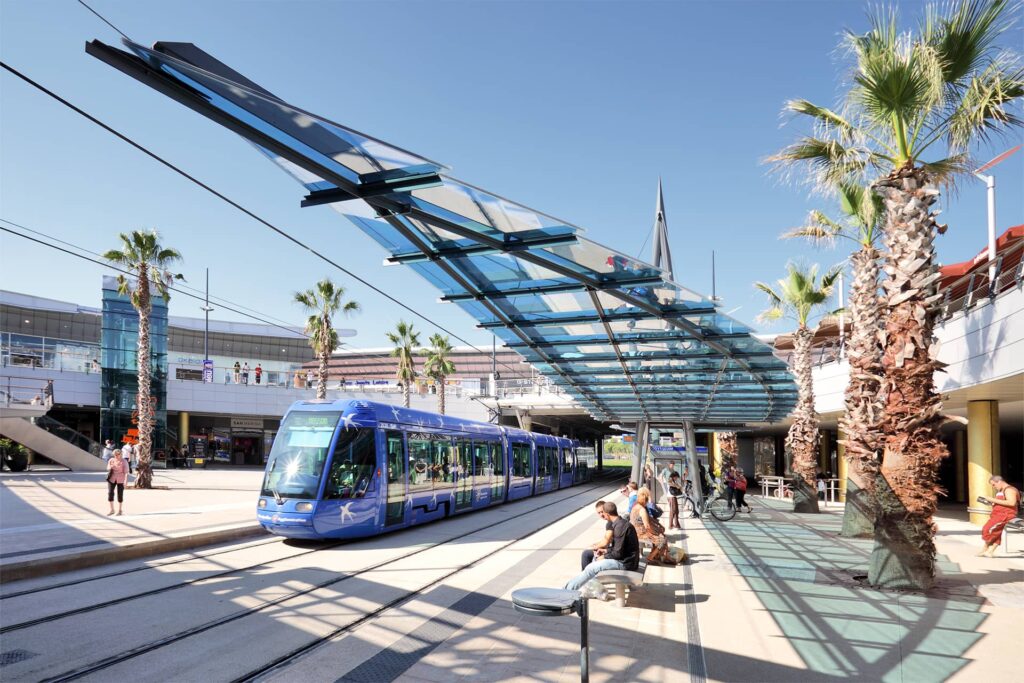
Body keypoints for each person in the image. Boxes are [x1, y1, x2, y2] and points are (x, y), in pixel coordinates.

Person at [564, 501, 639, 591]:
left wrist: (604, 556)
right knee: (593, 562)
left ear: (607, 514)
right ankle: (590, 588)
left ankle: (567, 591)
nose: (601, 515)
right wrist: (605, 551)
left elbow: (618, 554)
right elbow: (618, 548)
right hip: (625, 560)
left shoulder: (620, 527)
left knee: (591, 568)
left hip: (626, 564)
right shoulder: (620, 523)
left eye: (602, 512)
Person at [632, 487, 675, 565]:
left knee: (660, 536)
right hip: (640, 534)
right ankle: (651, 557)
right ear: (645, 498)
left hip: (636, 532)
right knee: (662, 539)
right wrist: (657, 533)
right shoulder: (642, 510)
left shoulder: (635, 506)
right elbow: (647, 526)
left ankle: (658, 555)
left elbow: (649, 520)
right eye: (647, 498)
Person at [978, 476, 1020, 557]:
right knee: (996, 532)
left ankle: (986, 548)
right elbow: (1002, 502)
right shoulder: (1001, 490)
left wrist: (992, 499)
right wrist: (991, 503)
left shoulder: (1009, 490)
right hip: (997, 514)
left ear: (999, 481)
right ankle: (989, 551)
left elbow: (1011, 503)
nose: (994, 487)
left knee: (987, 529)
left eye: (994, 485)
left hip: (1005, 514)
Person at [106, 448, 128, 516]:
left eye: (117, 454)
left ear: (121, 454)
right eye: (114, 455)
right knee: (110, 493)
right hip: (112, 479)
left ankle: (120, 510)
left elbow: (126, 472)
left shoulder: (124, 461)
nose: (116, 456)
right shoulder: (111, 460)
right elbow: (108, 468)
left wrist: (126, 481)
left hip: (121, 479)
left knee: (120, 494)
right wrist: (110, 467)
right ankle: (112, 510)